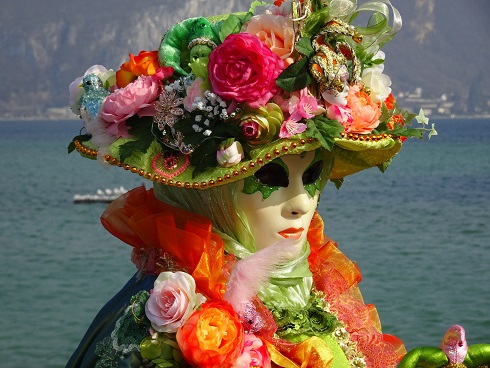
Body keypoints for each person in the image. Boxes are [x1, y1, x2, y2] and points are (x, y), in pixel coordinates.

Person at [65, 1, 455, 367]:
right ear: (209, 189)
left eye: (313, 175)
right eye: (270, 176)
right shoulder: (160, 329)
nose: (301, 204)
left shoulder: (313, 289)